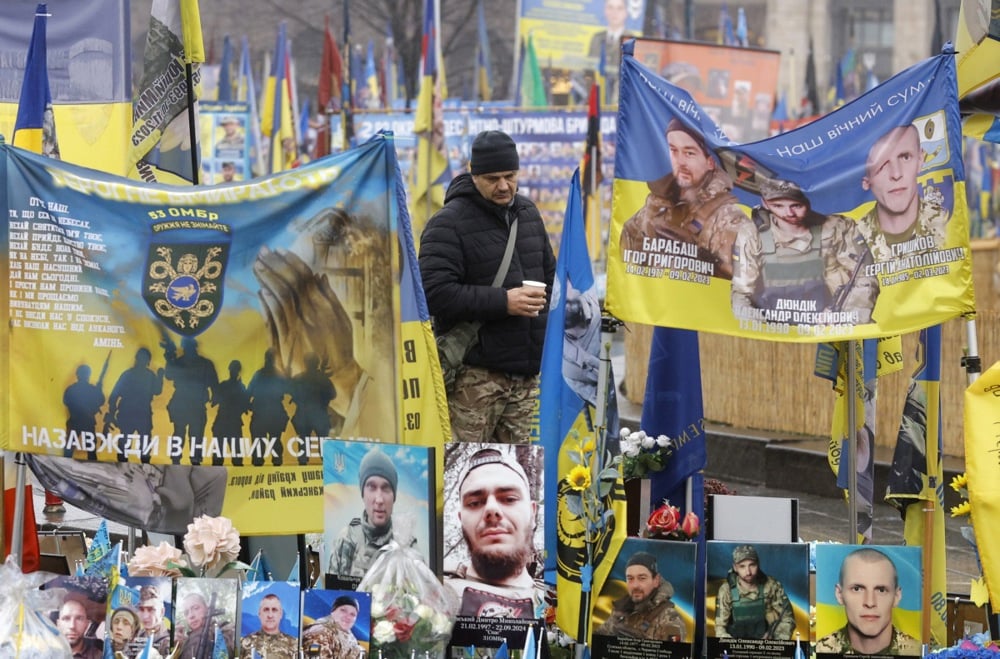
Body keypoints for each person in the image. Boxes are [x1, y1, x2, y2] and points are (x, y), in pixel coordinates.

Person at [419, 130, 556, 444]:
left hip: (525, 378)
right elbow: (433, 293)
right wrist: (503, 301)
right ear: (472, 172)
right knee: (464, 478)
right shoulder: (448, 223)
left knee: (516, 482)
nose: (504, 186)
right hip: (474, 379)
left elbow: (551, 278)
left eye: (510, 176)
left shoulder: (528, 214)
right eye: (493, 178)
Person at [731, 178, 880, 324]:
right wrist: (760, 328)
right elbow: (741, 293)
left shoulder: (837, 229)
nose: (789, 213)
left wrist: (845, 316)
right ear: (765, 203)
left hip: (832, 321)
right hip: (771, 323)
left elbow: (866, 278)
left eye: (796, 206)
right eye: (778, 206)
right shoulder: (751, 235)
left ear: (808, 201)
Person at [619, 118, 753, 279]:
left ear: (710, 162)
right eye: (674, 150)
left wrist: (700, 258)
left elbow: (748, 284)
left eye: (689, 153)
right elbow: (625, 267)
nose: (680, 162)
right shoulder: (654, 208)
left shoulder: (730, 220)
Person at [444, 447, 546, 618]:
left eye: (509, 499)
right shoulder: (431, 594)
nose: (491, 509)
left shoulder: (559, 602)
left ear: (533, 513)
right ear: (461, 519)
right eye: (475, 502)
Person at [856, 124, 949, 262]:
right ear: (866, 181)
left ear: (920, 160)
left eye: (905, 157)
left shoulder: (947, 224)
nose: (896, 174)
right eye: (882, 164)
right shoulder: (852, 241)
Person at [329, 446, 416, 580]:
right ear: (363, 493)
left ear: (394, 496)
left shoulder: (407, 546)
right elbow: (333, 597)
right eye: (372, 487)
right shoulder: (346, 540)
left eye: (386, 488)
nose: (379, 499)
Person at [815, 548, 921, 656]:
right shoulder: (821, 649)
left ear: (896, 597)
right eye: (857, 589)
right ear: (839, 595)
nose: (870, 603)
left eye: (881, 590)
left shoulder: (917, 651)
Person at [595, 551, 686, 641]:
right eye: (630, 578)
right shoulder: (620, 610)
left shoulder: (669, 618)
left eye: (642, 578)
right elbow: (598, 640)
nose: (635, 585)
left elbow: (673, 653)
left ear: (656, 580)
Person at [714, 544, 795, 640]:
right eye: (742, 566)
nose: (748, 572)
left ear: (758, 564)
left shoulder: (771, 586)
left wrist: (777, 642)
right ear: (735, 568)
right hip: (735, 648)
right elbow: (720, 627)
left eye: (752, 565)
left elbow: (787, 618)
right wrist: (733, 646)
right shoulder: (726, 590)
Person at [163, 336, 219, 465]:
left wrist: (215, 397)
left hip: (195, 405)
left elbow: (214, 384)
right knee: (181, 435)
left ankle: (190, 461)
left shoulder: (204, 364)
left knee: (194, 436)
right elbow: (169, 375)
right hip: (185, 404)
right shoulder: (183, 362)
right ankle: (177, 460)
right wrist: (169, 359)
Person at [107, 347, 164, 463]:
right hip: (129, 413)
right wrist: (112, 413)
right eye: (141, 358)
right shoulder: (128, 375)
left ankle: (143, 467)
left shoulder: (148, 375)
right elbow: (114, 395)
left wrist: (160, 377)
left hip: (141, 414)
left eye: (145, 358)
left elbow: (157, 391)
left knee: (144, 446)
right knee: (125, 445)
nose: (142, 360)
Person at [247, 348, 293, 466]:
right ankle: (270, 464)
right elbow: (288, 390)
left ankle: (267, 464)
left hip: (264, 414)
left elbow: (249, 393)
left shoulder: (260, 375)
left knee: (266, 443)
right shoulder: (277, 376)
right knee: (272, 442)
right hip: (272, 414)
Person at [62, 362, 106, 459]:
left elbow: (101, 400)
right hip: (82, 421)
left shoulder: (72, 389)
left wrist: (99, 388)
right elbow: (101, 400)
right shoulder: (90, 389)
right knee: (75, 450)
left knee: (87, 450)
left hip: (81, 422)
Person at [174, 591, 235, 659]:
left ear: (207, 608)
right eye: (186, 613)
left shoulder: (225, 630)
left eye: (196, 608)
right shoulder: (182, 644)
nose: (191, 615)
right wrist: (175, 648)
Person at [301, 594, 364, 659]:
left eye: (353, 614)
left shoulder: (350, 637)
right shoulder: (320, 633)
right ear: (333, 611)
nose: (348, 616)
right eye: (343, 610)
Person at [240, 593, 297, 659]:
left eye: (274, 610)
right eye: (266, 609)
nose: (270, 615)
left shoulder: (293, 645)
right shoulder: (245, 643)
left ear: (280, 614)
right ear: (259, 613)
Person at [132, 585, 171, 657]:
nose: (145, 616)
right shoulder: (135, 637)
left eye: (151, 610)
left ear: (162, 612)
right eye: (141, 609)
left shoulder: (171, 641)